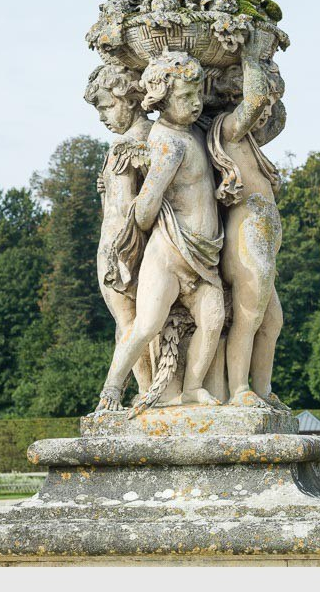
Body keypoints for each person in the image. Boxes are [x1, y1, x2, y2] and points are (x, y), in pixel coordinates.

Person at [96, 50, 225, 411]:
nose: (196, 103)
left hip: (202, 255)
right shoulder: (168, 142)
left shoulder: (192, 132)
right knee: (146, 324)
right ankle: (112, 388)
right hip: (169, 255)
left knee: (213, 319)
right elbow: (146, 208)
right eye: (186, 97)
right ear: (161, 99)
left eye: (198, 94)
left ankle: (193, 386)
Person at [205, 28, 287, 409]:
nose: (265, 108)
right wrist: (252, 56)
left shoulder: (250, 142)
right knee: (249, 315)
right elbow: (254, 105)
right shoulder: (229, 130)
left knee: (271, 322)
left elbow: (267, 113)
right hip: (246, 238)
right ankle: (238, 389)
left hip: (263, 236)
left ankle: (264, 390)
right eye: (262, 101)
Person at [84, 65, 153, 397]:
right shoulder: (129, 143)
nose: (102, 117)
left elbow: (129, 208)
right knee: (128, 325)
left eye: (106, 106)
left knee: (130, 326)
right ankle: (146, 390)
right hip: (115, 246)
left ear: (131, 99)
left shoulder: (134, 142)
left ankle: (137, 391)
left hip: (123, 248)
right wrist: (105, 192)